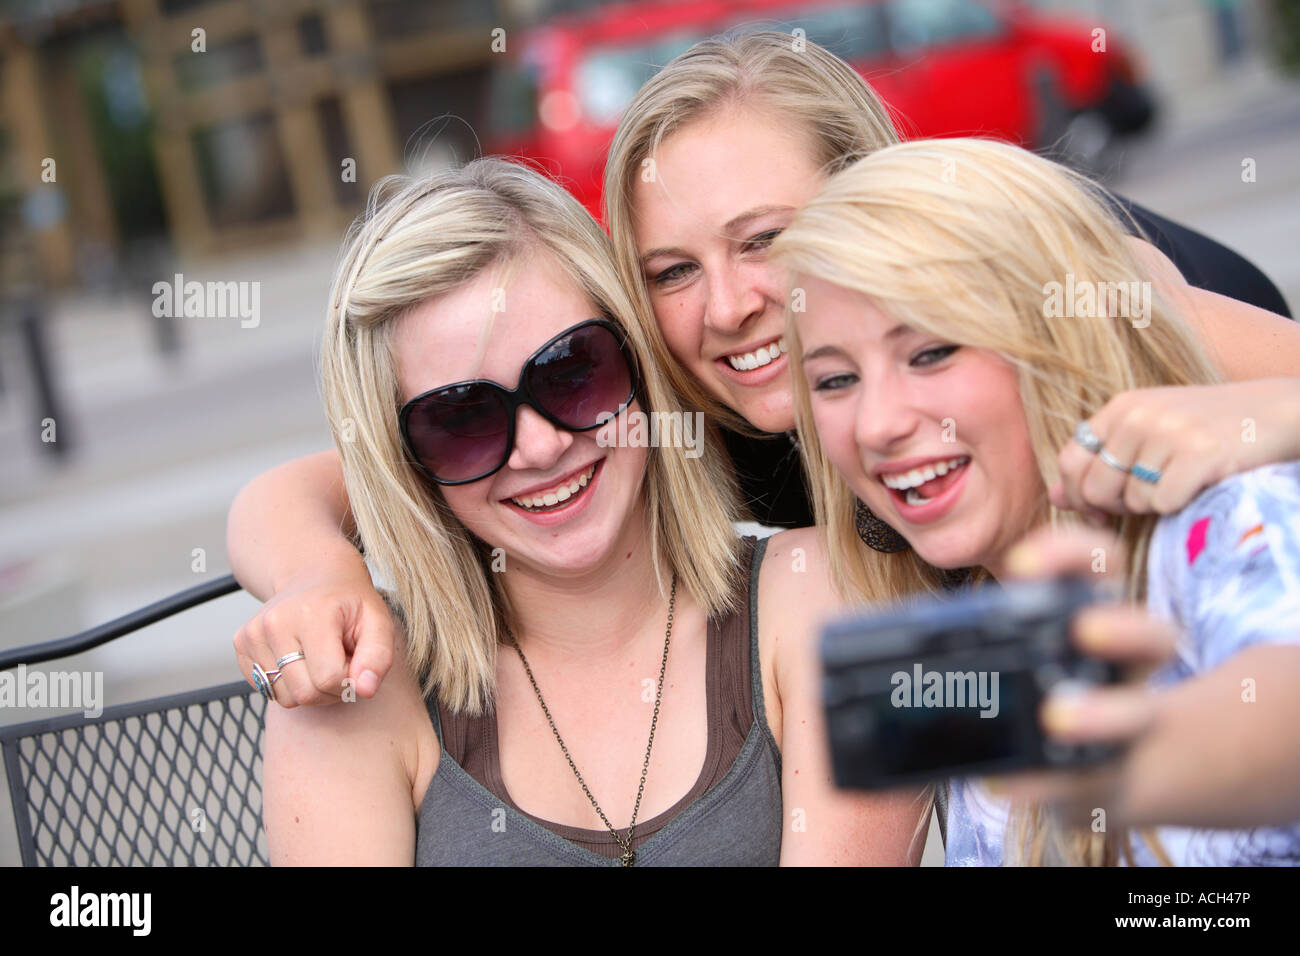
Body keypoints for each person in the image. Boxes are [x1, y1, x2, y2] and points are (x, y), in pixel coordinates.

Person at [229, 31, 1300, 706]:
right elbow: (305, 484)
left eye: (764, 239)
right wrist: (320, 576)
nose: (731, 305)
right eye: (671, 269)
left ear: (865, 195)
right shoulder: (666, 405)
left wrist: (1246, 421)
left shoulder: (1039, 281)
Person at [259, 155, 925, 865]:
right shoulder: (352, 689)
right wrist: (314, 566)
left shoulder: (826, 598)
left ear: (637, 358)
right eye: (464, 420)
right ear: (407, 464)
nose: (541, 447)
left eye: (573, 372)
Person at [774, 136, 1300, 865]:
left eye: (931, 352)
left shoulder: (1228, 520)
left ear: (1057, 338)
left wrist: (1136, 765)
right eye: (835, 381)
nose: (877, 424)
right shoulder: (969, 642)